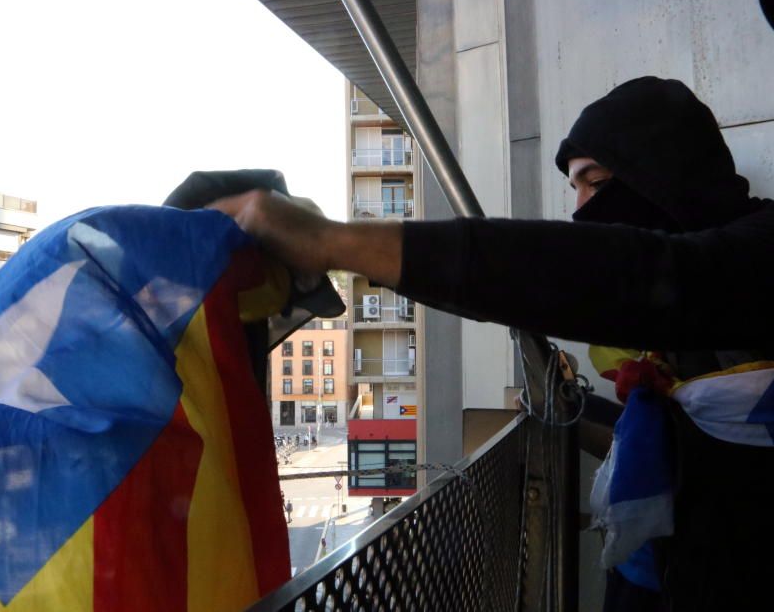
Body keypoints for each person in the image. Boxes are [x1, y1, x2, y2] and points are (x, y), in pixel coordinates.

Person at [212, 77, 774, 609]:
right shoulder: (690, 352)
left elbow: (644, 278)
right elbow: (692, 441)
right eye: (574, 187)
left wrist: (333, 242)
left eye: (597, 183)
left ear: (666, 173)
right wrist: (569, 410)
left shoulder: (753, 257)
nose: (580, 211)